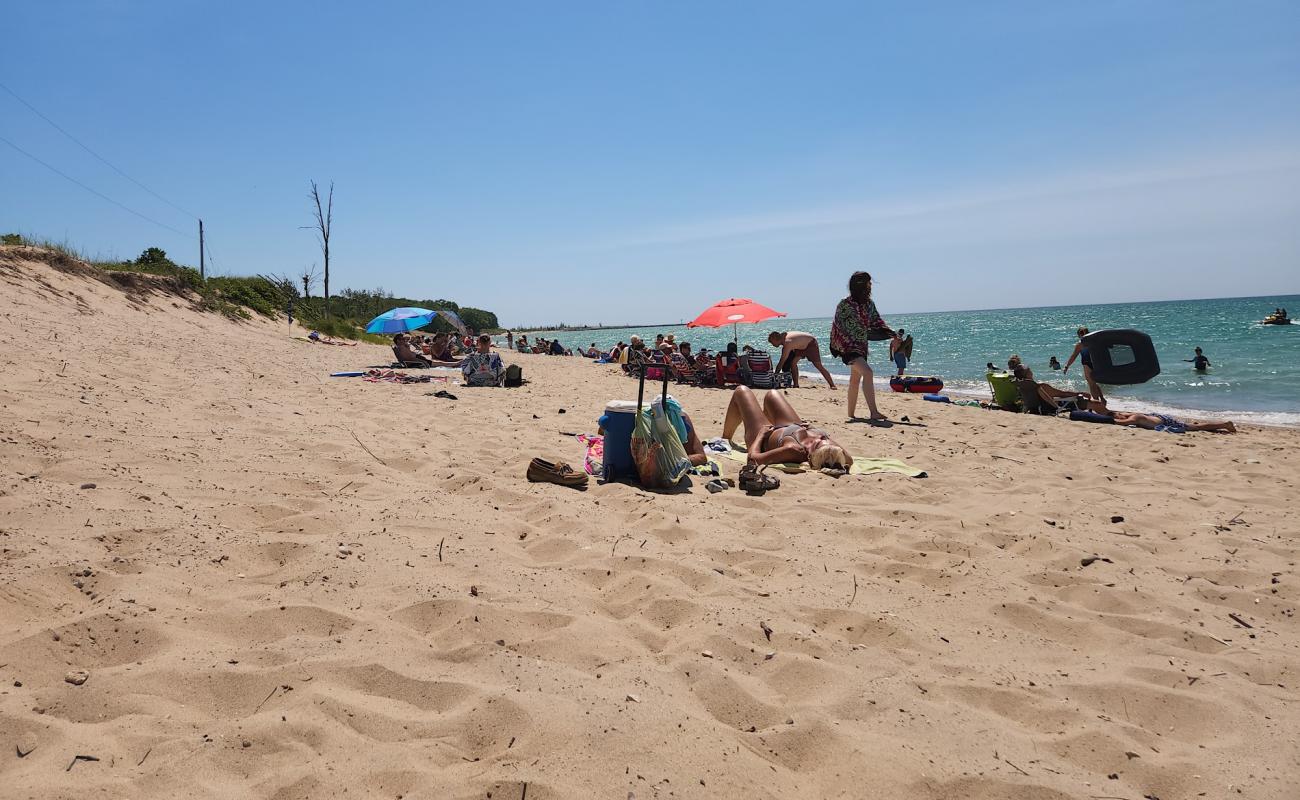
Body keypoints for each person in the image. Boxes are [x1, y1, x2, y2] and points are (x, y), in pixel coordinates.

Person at [721, 385, 853, 471]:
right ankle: (761, 417)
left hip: (765, 435)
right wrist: (812, 429)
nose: (820, 438)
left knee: (741, 391)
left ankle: (725, 438)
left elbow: (753, 459)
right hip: (791, 427)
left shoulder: (793, 450)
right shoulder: (831, 451)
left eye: (818, 445)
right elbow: (849, 460)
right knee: (772, 394)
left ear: (813, 456)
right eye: (824, 439)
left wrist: (761, 435)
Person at [830, 271, 891, 420]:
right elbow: (838, 325)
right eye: (868, 283)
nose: (870, 285)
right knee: (868, 372)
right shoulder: (845, 304)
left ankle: (851, 414)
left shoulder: (869, 304)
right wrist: (842, 344)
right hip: (847, 347)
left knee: (855, 380)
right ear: (861, 285)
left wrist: (892, 334)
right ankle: (873, 412)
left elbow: (877, 322)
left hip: (861, 346)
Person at [1081, 399, 1236, 433]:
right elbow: (1108, 411)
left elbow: (1118, 422)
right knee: (1193, 426)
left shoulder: (1132, 418)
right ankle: (1222, 424)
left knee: (1195, 428)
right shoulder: (1128, 413)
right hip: (1159, 417)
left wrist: (1100, 419)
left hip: (1163, 421)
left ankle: (1224, 424)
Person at [768, 330, 838, 389]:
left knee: (818, 366)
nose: (772, 345)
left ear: (775, 339)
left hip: (811, 343)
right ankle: (796, 385)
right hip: (801, 346)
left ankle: (832, 385)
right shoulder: (784, 338)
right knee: (793, 363)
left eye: (772, 342)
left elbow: (781, 362)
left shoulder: (787, 343)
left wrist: (775, 376)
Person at [1064, 326, 1105, 402]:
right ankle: (1102, 399)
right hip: (1096, 364)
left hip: (1087, 364)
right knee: (1093, 383)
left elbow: (1073, 356)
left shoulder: (1080, 345)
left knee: (1091, 384)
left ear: (1079, 335)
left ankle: (1096, 402)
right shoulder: (1094, 342)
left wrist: (1067, 366)